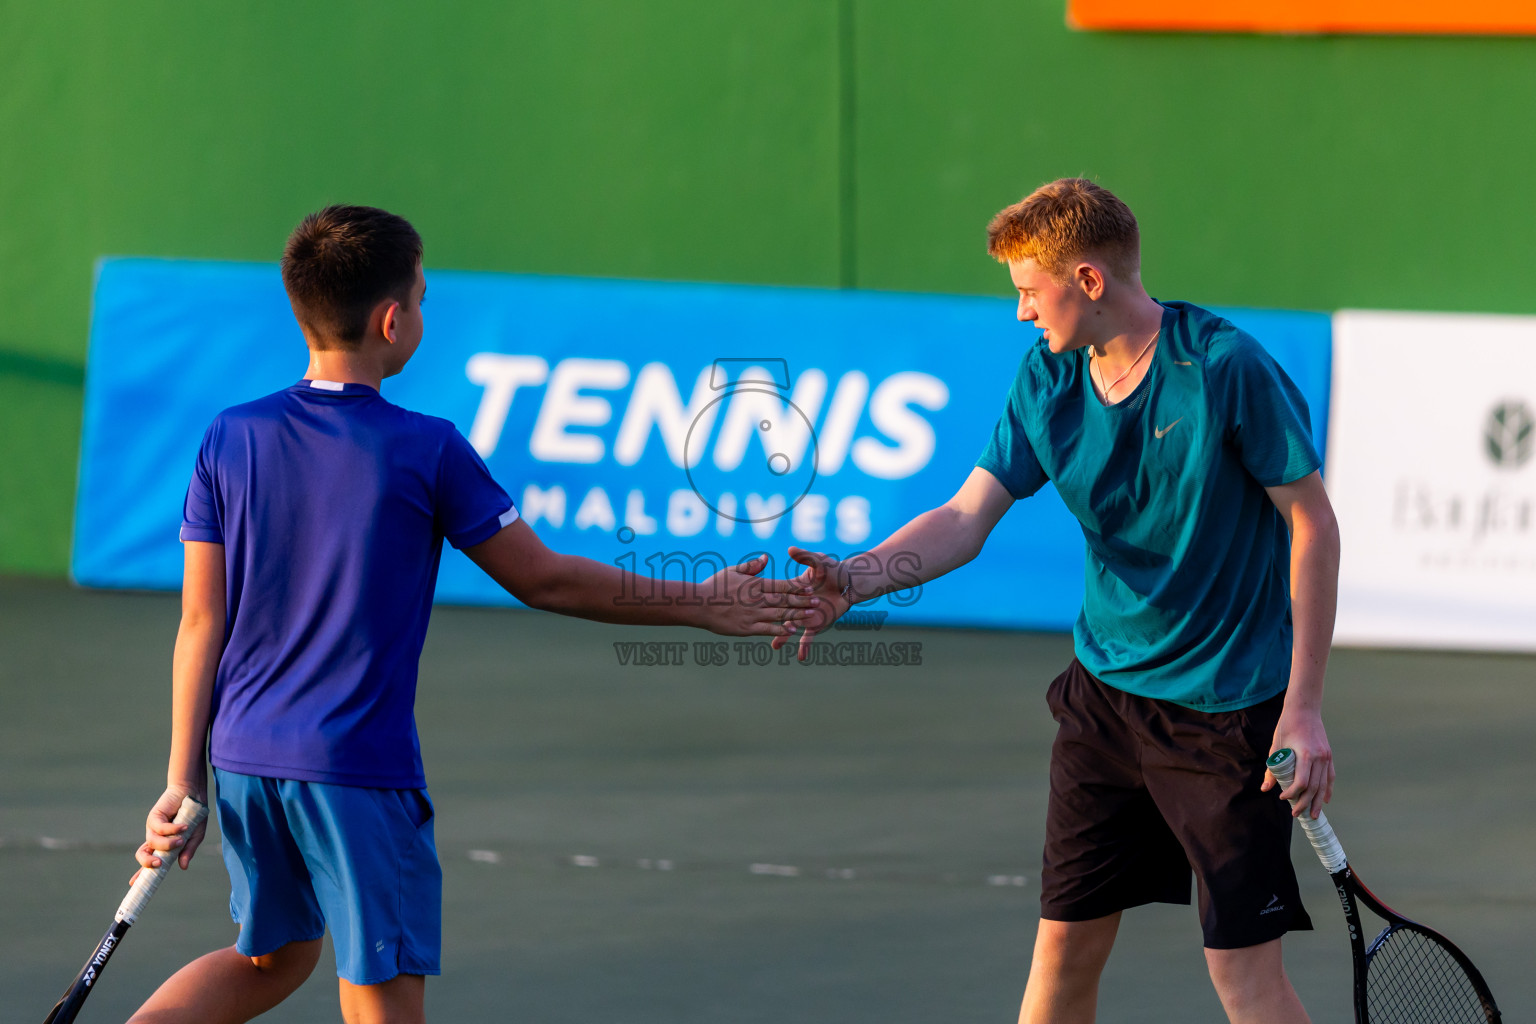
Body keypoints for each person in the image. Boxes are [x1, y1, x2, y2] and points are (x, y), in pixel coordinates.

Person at [130, 204, 816, 1024]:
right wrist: (702, 605)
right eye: (419, 298)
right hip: (354, 771)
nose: (422, 311)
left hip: (239, 760)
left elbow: (201, 622)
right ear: (392, 320)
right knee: (378, 991)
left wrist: (183, 780)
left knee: (273, 958)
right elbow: (545, 580)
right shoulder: (427, 448)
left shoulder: (227, 437)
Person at [776, 178, 1339, 1024]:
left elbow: (1313, 527)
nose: (1021, 316)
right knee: (1062, 956)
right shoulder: (1046, 378)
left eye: (1030, 294)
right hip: (1103, 706)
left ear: (1087, 282)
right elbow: (966, 519)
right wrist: (854, 580)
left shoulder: (1225, 369)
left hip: (1224, 717)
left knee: (1244, 981)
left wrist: (1302, 710)